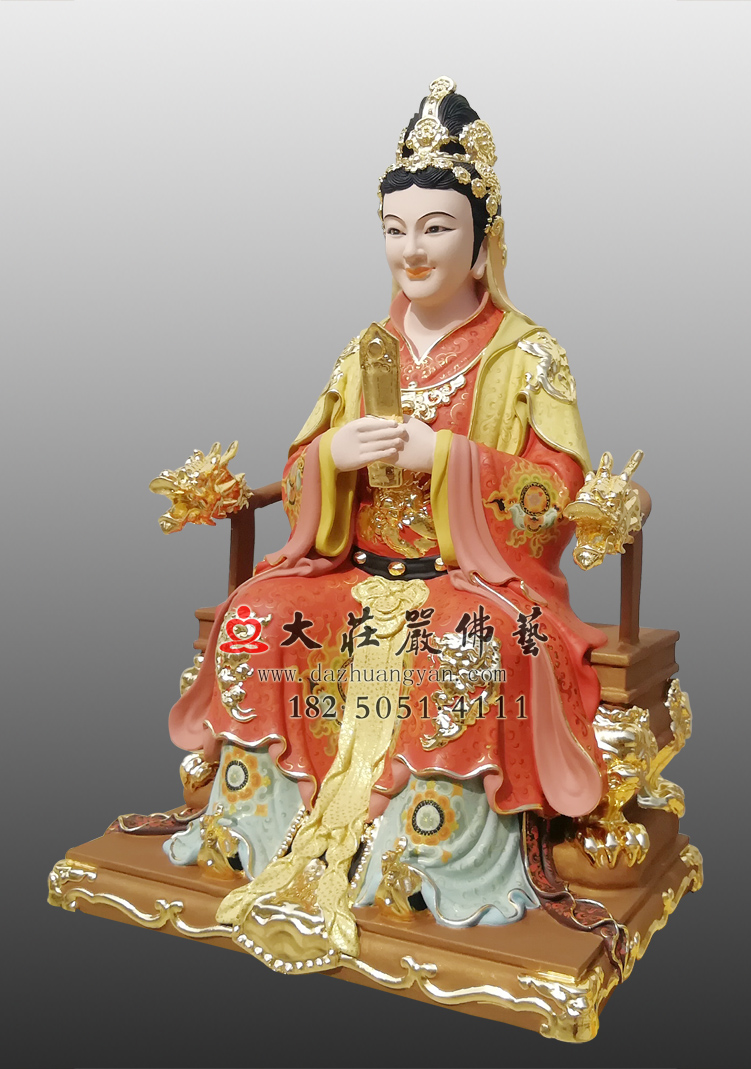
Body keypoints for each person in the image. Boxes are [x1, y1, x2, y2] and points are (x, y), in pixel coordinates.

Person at [164, 78, 607, 972]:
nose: (412, 249)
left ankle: (431, 859)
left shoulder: (529, 355)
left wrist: (447, 458)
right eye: (394, 228)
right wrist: (330, 459)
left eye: (435, 227)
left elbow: (556, 493)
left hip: (469, 578)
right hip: (353, 565)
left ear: (481, 240)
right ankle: (256, 828)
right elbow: (300, 468)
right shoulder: (362, 351)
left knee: (467, 642)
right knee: (258, 614)